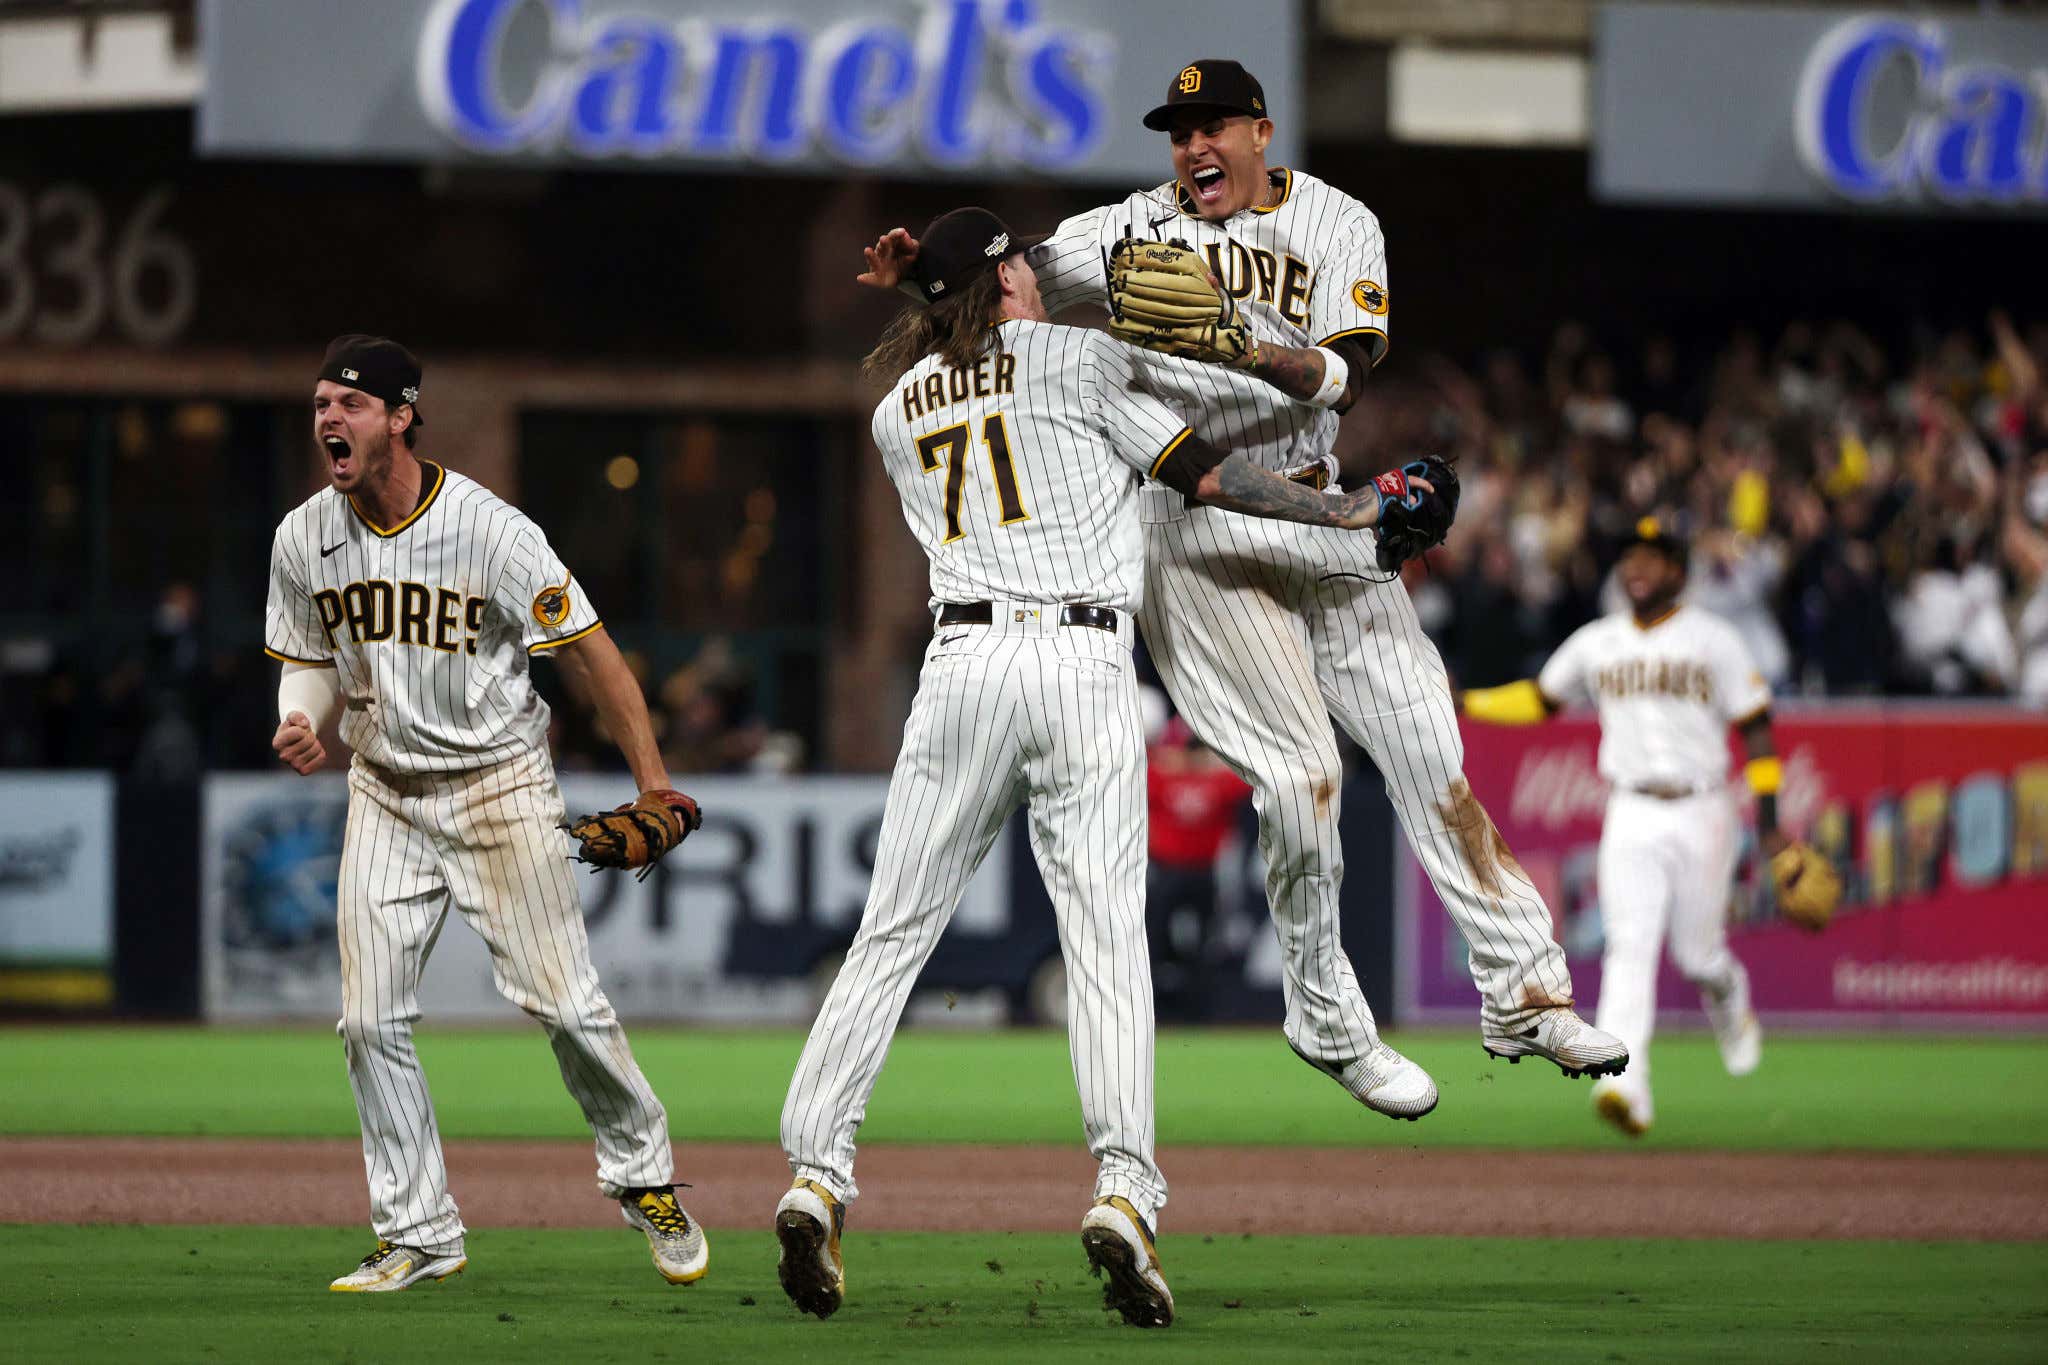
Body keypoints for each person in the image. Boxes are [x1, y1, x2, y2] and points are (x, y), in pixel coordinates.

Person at [855, 60, 1625, 1101]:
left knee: (1428, 750)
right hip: (1191, 521)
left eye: (1212, 125)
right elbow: (999, 285)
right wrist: (923, 277)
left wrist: (1240, 344)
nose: (1193, 147)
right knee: (1302, 781)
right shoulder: (1124, 232)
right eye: (1178, 133)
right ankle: (1324, 1016)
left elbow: (1345, 374)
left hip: (1312, 497)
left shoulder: (1337, 221)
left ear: (1260, 131)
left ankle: (1525, 994)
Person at [776, 209, 1436, 1328]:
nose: (1041, 273)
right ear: (1006, 280)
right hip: (1080, 664)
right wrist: (1351, 509)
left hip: (961, 665)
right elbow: (1208, 478)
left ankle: (814, 1176)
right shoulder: (1078, 360)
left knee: (889, 935)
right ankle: (1125, 1190)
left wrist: (928, 291)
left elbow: (961, 347)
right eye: (1024, 263)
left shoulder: (894, 409)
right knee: (1104, 941)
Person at [264, 335, 706, 1291]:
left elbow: (591, 651)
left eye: (350, 403)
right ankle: (419, 1231)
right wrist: (300, 716)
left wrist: (653, 782)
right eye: (321, 403)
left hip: (498, 783)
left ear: (400, 417)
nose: (329, 418)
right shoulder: (303, 536)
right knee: (367, 1019)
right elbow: (309, 658)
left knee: (567, 1005)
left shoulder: (490, 530)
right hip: (384, 790)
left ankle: (645, 1177)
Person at [1459, 518, 1785, 1136]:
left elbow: (1757, 726)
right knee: (1629, 946)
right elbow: (1541, 699)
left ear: (1678, 573)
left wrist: (1769, 824)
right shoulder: (1598, 640)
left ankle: (1729, 995)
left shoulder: (1714, 639)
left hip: (1703, 807)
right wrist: (1469, 702)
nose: (1637, 567)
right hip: (1631, 809)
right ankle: (1622, 1085)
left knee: (1698, 956)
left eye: (1652, 558)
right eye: (1630, 557)